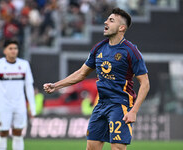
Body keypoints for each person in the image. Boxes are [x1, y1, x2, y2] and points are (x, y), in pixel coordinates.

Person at [44, 7, 150, 150]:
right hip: (100, 104)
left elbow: (145, 84)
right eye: (107, 19)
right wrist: (56, 86)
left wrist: (134, 111)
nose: (106, 22)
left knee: (117, 148)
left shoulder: (131, 51)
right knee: (91, 148)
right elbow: (81, 73)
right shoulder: (98, 48)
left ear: (121, 28)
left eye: (111, 20)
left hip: (120, 104)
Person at [0, 39, 36, 150]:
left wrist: (32, 107)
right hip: (3, 105)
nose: (13, 51)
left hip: (19, 105)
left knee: (18, 133)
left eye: (15, 48)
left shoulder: (24, 65)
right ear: (5, 51)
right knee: (3, 133)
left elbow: (29, 86)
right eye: (11, 48)